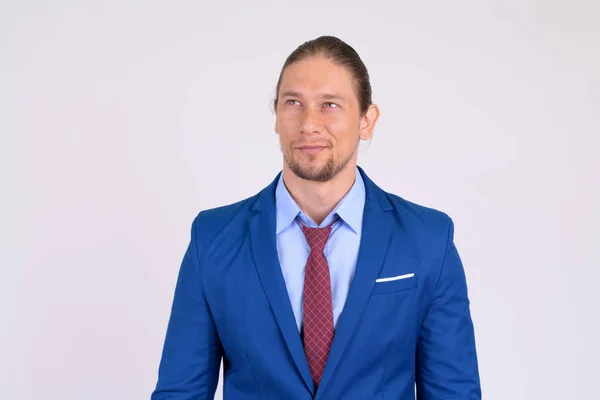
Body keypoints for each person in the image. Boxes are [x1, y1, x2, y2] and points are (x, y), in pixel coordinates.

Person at [150, 35, 481, 400]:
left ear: (366, 120)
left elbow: (454, 393)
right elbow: (179, 393)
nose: (309, 123)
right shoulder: (212, 239)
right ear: (275, 115)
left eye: (330, 105)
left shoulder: (428, 240)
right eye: (293, 103)